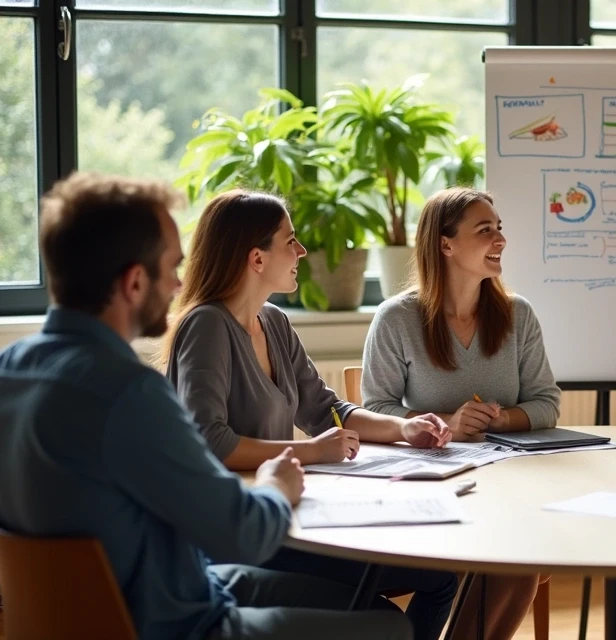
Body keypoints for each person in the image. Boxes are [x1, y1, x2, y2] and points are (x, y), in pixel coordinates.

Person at [0, 172, 410, 639]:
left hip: (109, 603)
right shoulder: (130, 394)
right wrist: (277, 484)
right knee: (390, 630)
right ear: (135, 282)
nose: (179, 285)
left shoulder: (9, 370)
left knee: (362, 606)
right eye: (170, 268)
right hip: (172, 620)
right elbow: (241, 532)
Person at [163, 190, 456, 640]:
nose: (301, 251)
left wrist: (404, 427)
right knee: (412, 594)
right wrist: (311, 451)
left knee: (441, 577)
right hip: (242, 531)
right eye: (291, 240)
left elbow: (327, 410)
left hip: (286, 518)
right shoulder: (206, 326)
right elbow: (211, 442)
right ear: (256, 259)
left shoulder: (274, 320)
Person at [362, 187, 560, 640]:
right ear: (445, 243)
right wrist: (445, 424)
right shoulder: (397, 318)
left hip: (508, 487)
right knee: (510, 553)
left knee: (520, 558)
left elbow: (546, 402)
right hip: (431, 488)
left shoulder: (517, 314)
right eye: (484, 229)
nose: (500, 239)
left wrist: (502, 419)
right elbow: (374, 408)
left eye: (500, 228)